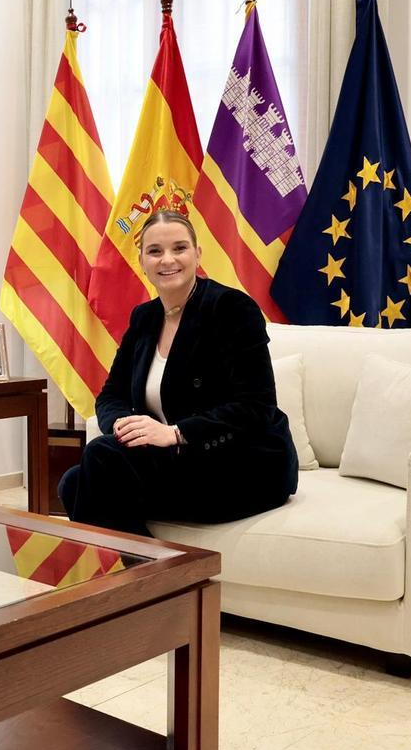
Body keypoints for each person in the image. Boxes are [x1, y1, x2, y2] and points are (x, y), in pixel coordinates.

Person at [58, 208, 297, 536]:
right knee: (73, 482)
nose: (167, 259)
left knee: (97, 462)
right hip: (179, 460)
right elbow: (111, 394)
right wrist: (123, 425)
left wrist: (175, 433)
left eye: (179, 248)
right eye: (155, 251)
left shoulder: (232, 309)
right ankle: (151, 566)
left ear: (197, 254)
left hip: (241, 462)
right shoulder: (144, 317)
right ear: (142, 261)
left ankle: (131, 568)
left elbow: (257, 406)